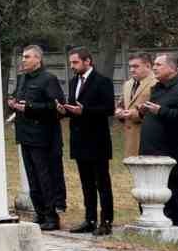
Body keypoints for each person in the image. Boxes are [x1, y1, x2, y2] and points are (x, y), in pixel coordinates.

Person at [7, 44, 65, 231]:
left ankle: (51, 215)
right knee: (32, 177)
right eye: (23, 57)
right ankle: (39, 213)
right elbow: (18, 98)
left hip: (43, 135)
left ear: (38, 59)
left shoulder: (48, 79)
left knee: (45, 176)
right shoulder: (22, 78)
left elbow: (57, 107)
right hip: (25, 134)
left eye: (27, 57)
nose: (23, 60)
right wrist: (12, 102)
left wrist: (30, 108)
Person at [59, 47, 115, 235]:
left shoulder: (102, 81)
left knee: (102, 182)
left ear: (87, 61)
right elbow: (73, 107)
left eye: (75, 62)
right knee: (86, 182)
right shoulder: (74, 81)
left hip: (97, 139)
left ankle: (106, 220)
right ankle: (89, 219)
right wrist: (64, 110)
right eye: (71, 63)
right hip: (79, 138)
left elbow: (109, 109)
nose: (72, 66)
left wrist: (86, 111)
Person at [141, 53, 178, 240]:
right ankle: (168, 227)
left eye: (159, 65)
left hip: (175, 150)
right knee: (163, 193)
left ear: (173, 68)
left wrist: (161, 111)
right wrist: (144, 111)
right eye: (154, 64)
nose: (154, 68)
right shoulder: (157, 88)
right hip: (154, 149)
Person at [114, 53, 156, 160]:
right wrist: (119, 111)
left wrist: (135, 114)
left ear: (148, 66)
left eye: (136, 66)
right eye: (130, 66)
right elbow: (121, 103)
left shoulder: (156, 83)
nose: (132, 70)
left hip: (149, 139)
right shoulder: (128, 84)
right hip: (130, 140)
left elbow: (158, 109)